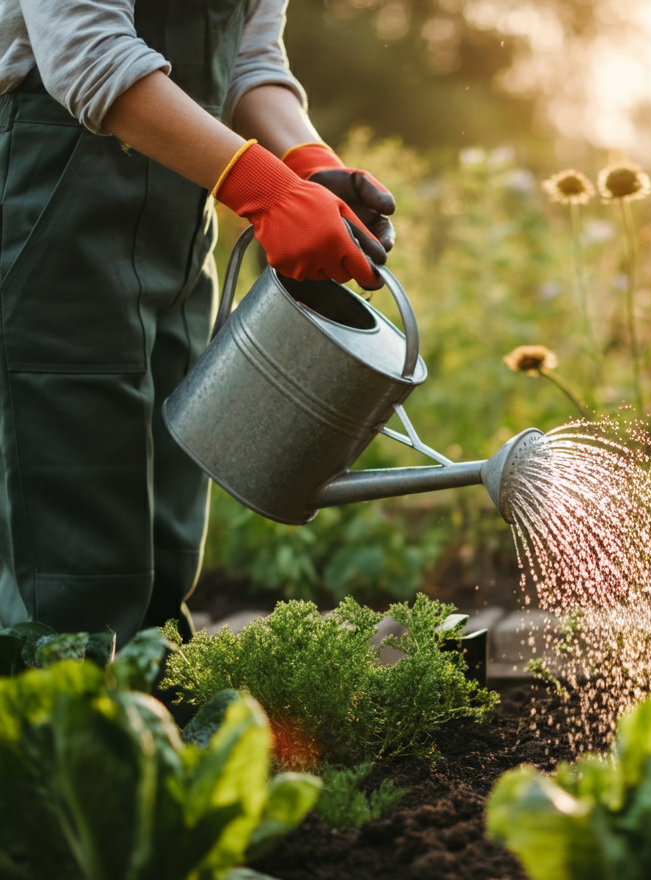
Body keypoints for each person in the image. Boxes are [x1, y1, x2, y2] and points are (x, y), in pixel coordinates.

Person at [0, 0, 396, 642]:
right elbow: (88, 54)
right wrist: (266, 191)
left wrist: (305, 160)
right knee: (74, 550)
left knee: (167, 530)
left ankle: (153, 714)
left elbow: (249, 58)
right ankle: (61, 723)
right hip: (50, 218)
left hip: (176, 232)